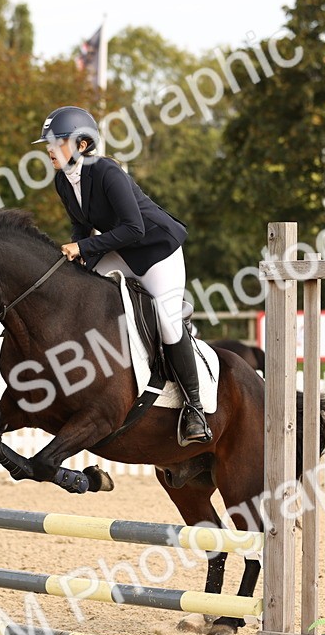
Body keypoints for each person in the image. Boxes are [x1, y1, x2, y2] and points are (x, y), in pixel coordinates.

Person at [33, 105, 211, 446]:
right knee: (78, 290)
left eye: (56, 142)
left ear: (82, 145)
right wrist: (80, 254)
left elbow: (134, 227)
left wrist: (83, 248)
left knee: (167, 319)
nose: (49, 150)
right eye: (48, 144)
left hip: (157, 249)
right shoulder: (63, 180)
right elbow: (81, 225)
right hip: (119, 249)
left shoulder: (107, 173)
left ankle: (194, 408)